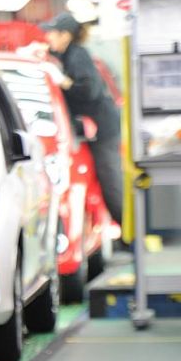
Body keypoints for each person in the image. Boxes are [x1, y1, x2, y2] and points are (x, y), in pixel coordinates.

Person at [41, 12, 123, 223]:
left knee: (111, 184)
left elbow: (90, 90)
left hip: (103, 130)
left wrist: (62, 81)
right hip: (93, 129)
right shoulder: (67, 55)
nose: (48, 37)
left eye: (52, 33)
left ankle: (131, 234)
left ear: (65, 36)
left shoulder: (78, 55)